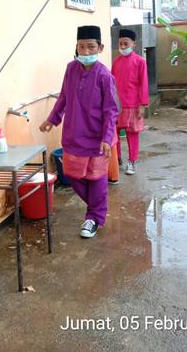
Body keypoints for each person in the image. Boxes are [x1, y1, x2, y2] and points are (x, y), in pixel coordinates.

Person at [40, 25, 119, 238]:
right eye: (81, 47)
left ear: (100, 48)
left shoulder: (104, 76)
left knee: (96, 178)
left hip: (97, 138)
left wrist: (107, 137)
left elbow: (111, 110)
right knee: (73, 176)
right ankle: (96, 209)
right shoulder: (71, 68)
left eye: (90, 47)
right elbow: (64, 97)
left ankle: (93, 217)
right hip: (73, 135)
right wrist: (52, 119)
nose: (85, 52)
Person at [111, 28, 149, 175]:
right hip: (117, 104)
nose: (123, 46)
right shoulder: (116, 62)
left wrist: (143, 104)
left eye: (126, 43)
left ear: (133, 44)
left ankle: (132, 161)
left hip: (133, 105)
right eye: (120, 43)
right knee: (114, 132)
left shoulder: (140, 62)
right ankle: (117, 158)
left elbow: (144, 83)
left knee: (132, 134)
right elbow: (111, 84)